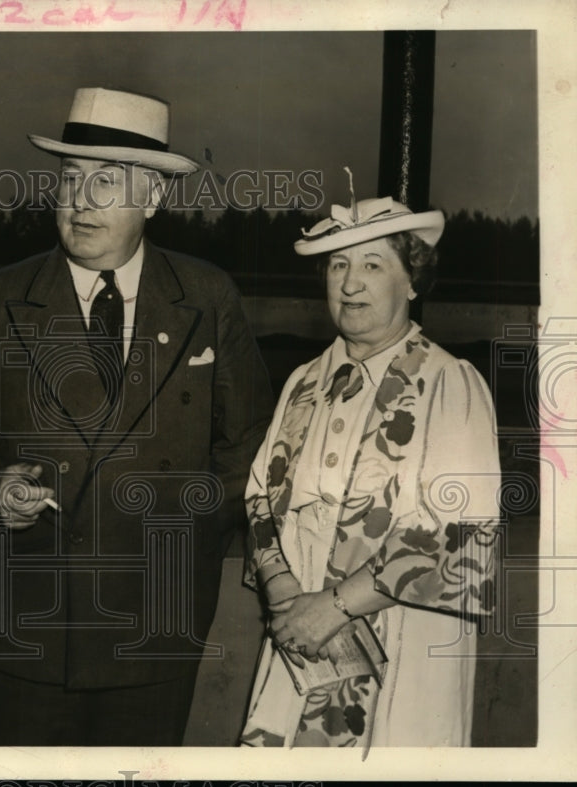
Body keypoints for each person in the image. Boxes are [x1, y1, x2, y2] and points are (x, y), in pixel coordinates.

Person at [0, 87, 274, 746]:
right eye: (71, 178)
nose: (82, 199)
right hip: (19, 622)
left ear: (154, 197)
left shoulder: (207, 297)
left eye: (108, 182)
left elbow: (250, 445)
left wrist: (186, 529)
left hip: (155, 618)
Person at [240, 184, 502, 750]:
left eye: (373, 264)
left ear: (413, 280)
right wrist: (284, 590)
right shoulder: (304, 381)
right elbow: (259, 496)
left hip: (403, 633)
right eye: (338, 265)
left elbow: (464, 534)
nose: (351, 283)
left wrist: (333, 607)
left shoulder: (449, 382)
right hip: (300, 631)